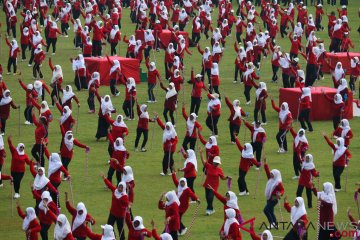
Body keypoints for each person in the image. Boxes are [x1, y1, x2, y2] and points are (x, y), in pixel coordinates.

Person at [199, 149, 230, 215]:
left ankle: (208, 210)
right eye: (215, 163)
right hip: (207, 184)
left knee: (210, 197)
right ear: (213, 162)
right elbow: (203, 162)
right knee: (207, 198)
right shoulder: (209, 166)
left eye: (217, 163)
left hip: (214, 186)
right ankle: (212, 209)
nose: (216, 164)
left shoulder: (219, 170)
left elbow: (222, 178)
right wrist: (201, 154)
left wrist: (227, 177)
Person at [101, 173, 129, 240]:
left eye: (122, 187)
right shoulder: (115, 190)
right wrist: (104, 178)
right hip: (112, 213)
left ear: (124, 188)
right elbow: (110, 185)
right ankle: (113, 238)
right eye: (119, 186)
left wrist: (123, 198)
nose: (120, 188)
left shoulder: (124, 196)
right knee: (109, 227)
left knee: (120, 230)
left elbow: (126, 205)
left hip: (120, 215)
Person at [263, 160, 284, 228]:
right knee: (271, 211)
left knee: (266, 210)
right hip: (269, 198)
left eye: (272, 174)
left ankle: (272, 223)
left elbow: (282, 190)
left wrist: (280, 194)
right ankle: (275, 224)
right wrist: (265, 164)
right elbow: (267, 172)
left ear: (275, 175)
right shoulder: (271, 179)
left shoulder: (278, 182)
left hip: (274, 198)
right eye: (271, 173)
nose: (270, 174)